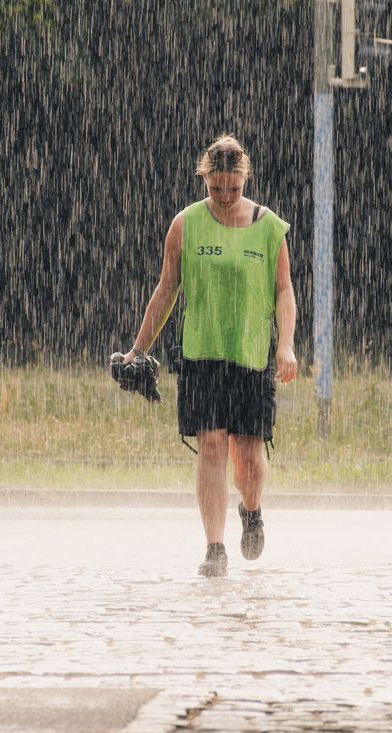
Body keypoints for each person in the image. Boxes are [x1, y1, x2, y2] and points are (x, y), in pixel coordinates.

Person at [119, 135, 297, 576]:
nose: (222, 197)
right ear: (204, 179)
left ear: (244, 179)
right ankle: (214, 549)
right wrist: (136, 351)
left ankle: (251, 511)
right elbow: (166, 290)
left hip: (252, 357)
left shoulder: (269, 226)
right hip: (201, 356)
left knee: (249, 458)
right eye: (214, 188)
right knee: (213, 447)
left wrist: (286, 343)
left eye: (231, 189)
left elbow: (284, 290)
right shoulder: (185, 225)